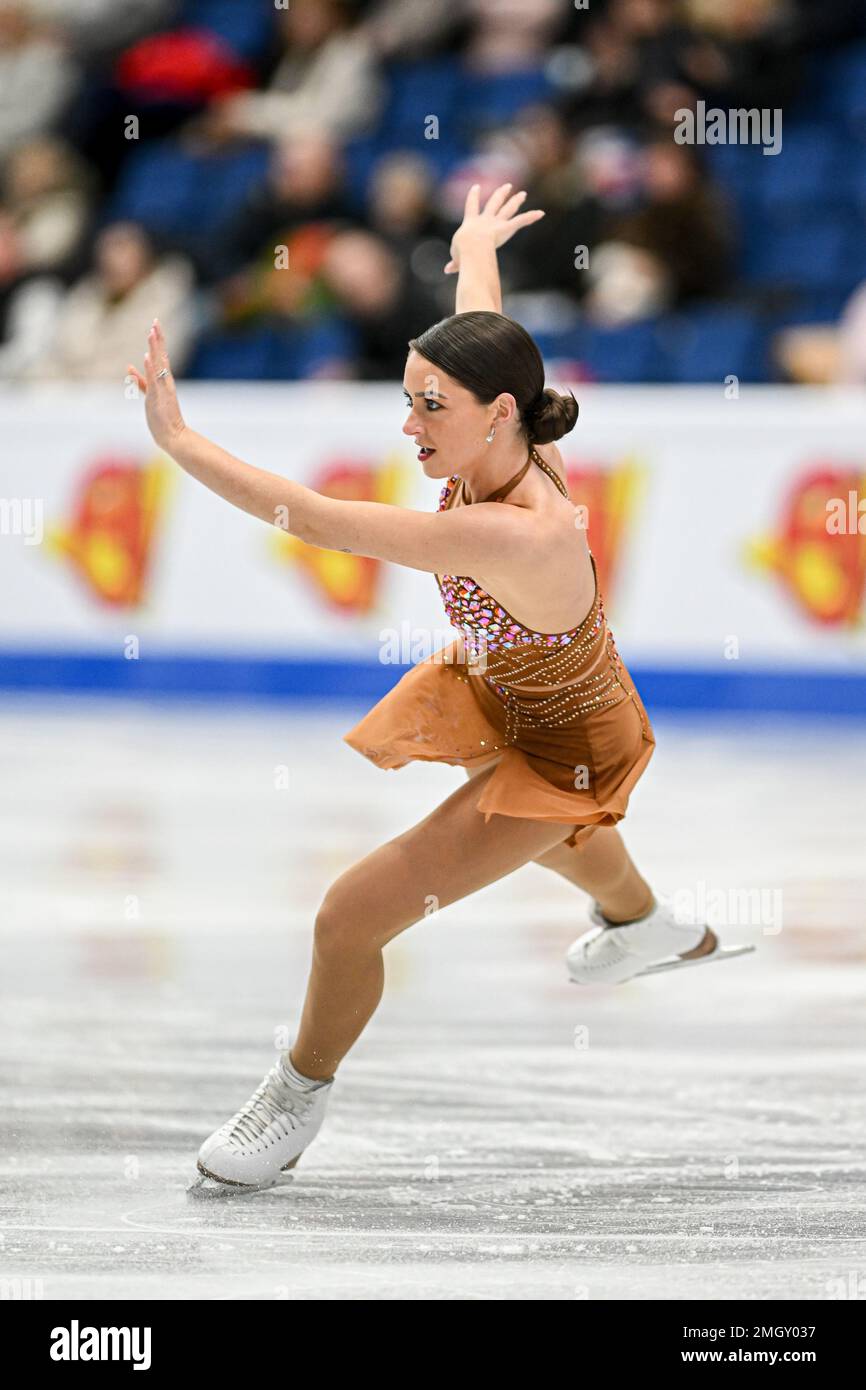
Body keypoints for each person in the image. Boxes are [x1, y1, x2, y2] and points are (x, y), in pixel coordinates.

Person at [129, 183, 746, 1194]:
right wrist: (475, 249)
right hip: (519, 692)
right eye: (407, 399)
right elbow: (485, 336)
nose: (410, 425)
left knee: (347, 917)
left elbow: (314, 518)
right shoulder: (505, 431)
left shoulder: (510, 531)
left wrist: (179, 443)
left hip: (566, 740)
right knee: (567, 837)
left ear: (496, 416)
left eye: (429, 407)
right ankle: (644, 925)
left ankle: (296, 1095)